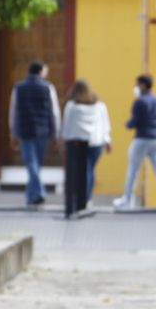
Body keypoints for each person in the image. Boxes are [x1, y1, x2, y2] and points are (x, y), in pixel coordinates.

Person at [115, 74, 156, 209]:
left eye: (138, 84)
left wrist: (127, 124)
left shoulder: (139, 102)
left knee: (133, 169)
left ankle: (128, 199)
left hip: (142, 138)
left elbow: (134, 122)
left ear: (142, 85)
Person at [9, 61, 60, 207]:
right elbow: (54, 112)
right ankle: (39, 193)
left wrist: (13, 132)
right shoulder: (48, 87)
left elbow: (13, 111)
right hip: (42, 130)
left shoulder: (19, 87)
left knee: (31, 163)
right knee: (35, 163)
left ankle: (31, 196)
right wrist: (55, 133)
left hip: (25, 129)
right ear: (41, 71)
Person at [61, 79, 108, 219]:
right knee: (89, 170)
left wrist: (64, 139)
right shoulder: (99, 105)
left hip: (77, 142)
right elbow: (105, 122)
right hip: (96, 141)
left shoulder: (72, 106)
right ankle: (86, 200)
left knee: (77, 174)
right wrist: (107, 139)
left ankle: (77, 204)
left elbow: (67, 124)